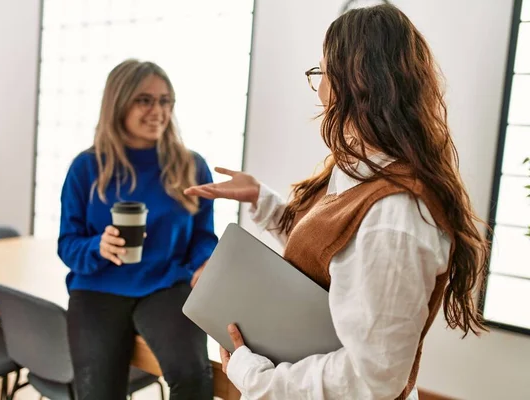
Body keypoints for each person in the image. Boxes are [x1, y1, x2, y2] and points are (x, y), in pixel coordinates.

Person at [185, 4, 489, 400]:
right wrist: (261, 198)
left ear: (356, 82)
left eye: (323, 73)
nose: (321, 91)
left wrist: (253, 374)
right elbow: (330, 247)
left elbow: (373, 378)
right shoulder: (364, 168)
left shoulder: (396, 217)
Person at [58, 59, 218, 400]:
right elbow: (68, 244)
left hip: (165, 284)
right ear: (119, 103)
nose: (158, 110)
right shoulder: (86, 168)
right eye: (144, 100)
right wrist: (96, 248)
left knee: (193, 378)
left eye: (165, 100)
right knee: (97, 393)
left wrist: (205, 263)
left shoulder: (192, 166)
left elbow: (203, 236)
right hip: (98, 286)